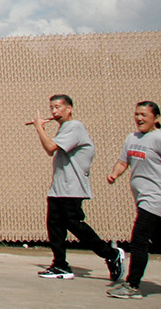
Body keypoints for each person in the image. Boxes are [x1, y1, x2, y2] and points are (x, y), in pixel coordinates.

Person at [32, 94, 125, 283]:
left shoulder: (75, 127)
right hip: (58, 189)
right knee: (55, 227)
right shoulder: (64, 129)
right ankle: (60, 265)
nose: (54, 111)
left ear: (69, 108)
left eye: (58, 107)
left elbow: (50, 147)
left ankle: (111, 253)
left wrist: (39, 128)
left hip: (72, 189)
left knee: (76, 225)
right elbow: (50, 150)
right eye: (52, 108)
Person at [104, 101, 161, 298]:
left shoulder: (158, 138)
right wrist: (114, 174)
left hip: (155, 199)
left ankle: (133, 286)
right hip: (143, 199)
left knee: (139, 240)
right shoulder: (132, 138)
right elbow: (123, 161)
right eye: (137, 114)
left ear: (157, 119)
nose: (139, 118)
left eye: (144, 115)